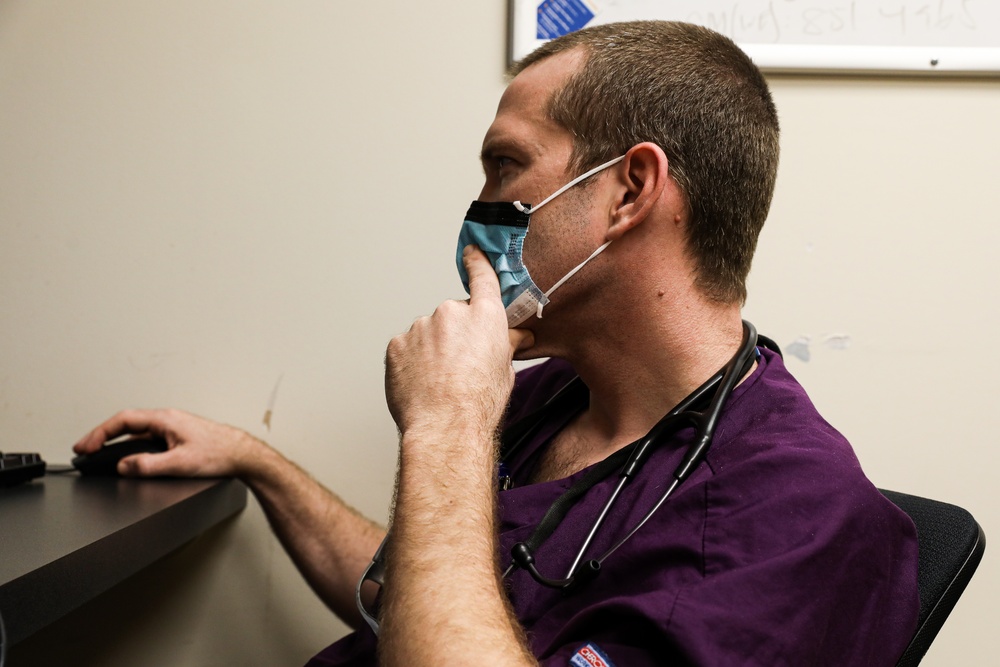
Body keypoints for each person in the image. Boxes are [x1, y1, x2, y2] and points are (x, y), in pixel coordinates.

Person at [74, 21, 919, 666]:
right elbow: (422, 598)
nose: (479, 209)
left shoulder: (797, 518)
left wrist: (445, 424)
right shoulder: (560, 394)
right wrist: (256, 460)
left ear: (629, 192)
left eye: (505, 166)